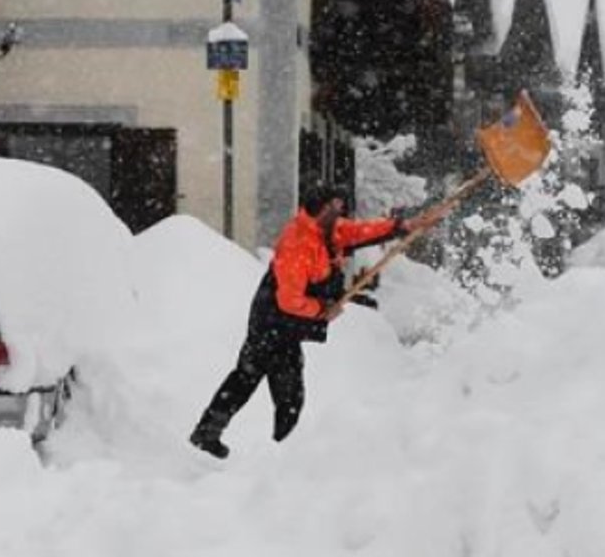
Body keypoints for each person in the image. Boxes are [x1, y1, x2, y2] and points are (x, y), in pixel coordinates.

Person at [189, 185, 443, 459]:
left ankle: (217, 435)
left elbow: (359, 232)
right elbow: (289, 299)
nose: (341, 211)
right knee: (274, 388)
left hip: (285, 324)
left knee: (262, 383)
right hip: (273, 321)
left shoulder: (327, 230)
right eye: (335, 207)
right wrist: (322, 309)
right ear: (320, 209)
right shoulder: (298, 243)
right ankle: (275, 450)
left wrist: (402, 226)